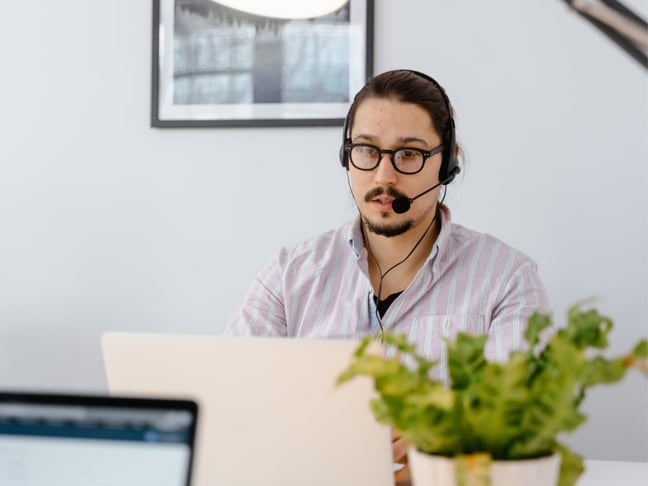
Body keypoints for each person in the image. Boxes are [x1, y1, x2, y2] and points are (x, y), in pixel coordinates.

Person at [224, 69, 552, 485]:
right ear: (347, 157)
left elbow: (524, 425)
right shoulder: (289, 274)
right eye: (366, 150)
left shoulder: (507, 279)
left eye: (409, 154)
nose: (383, 177)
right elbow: (230, 400)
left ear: (447, 164)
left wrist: (448, 449)